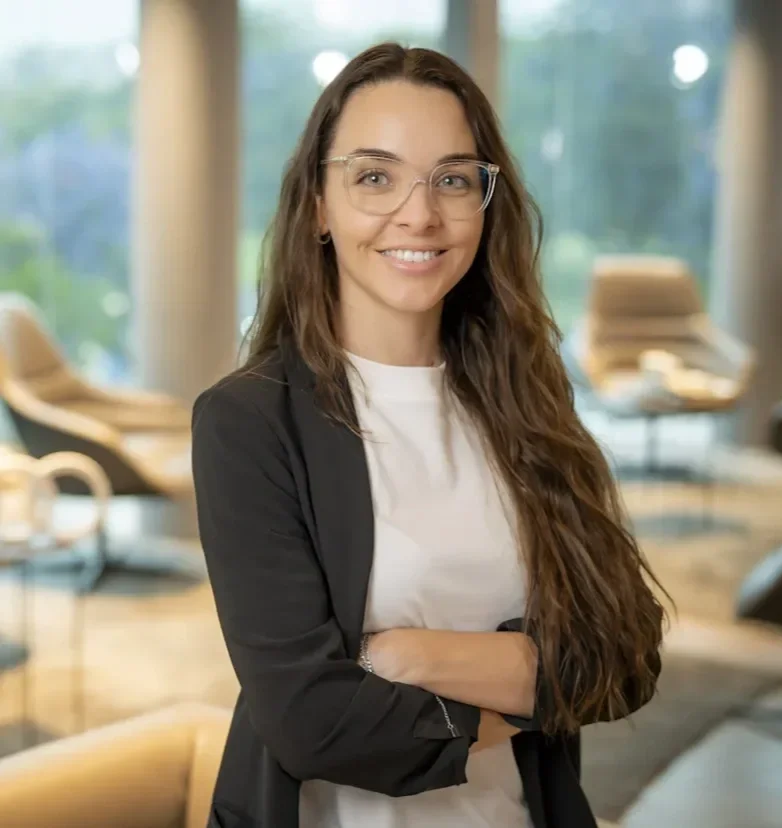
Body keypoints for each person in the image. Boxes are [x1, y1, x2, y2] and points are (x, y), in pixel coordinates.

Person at [191, 42, 666, 828]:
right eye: (375, 176)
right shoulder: (249, 422)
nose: (419, 213)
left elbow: (628, 651)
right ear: (317, 203)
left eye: (452, 178)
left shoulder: (528, 396)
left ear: (486, 201)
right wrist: (536, 686)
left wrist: (404, 658)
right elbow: (312, 724)